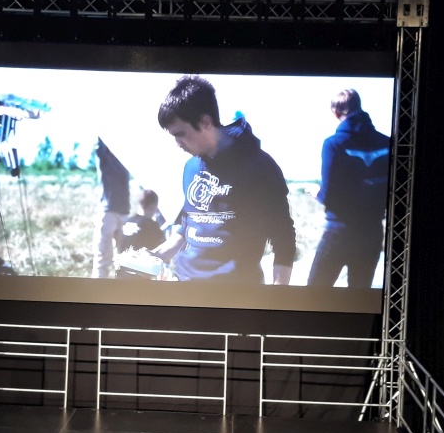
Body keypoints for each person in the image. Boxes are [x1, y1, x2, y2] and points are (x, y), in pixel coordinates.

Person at [148, 75, 296, 284]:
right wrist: (152, 257)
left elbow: (284, 237)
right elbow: (187, 225)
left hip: (236, 291)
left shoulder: (260, 167)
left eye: (180, 134)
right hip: (183, 285)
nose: (177, 143)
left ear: (205, 122)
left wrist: (278, 293)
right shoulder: (190, 167)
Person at [307, 88, 390, 288]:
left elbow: (329, 194)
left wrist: (317, 193)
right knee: (359, 296)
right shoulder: (387, 143)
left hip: (339, 232)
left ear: (336, 113)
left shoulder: (333, 144)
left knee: (313, 294)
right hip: (372, 233)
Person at [92, 137, 131, 278]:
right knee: (103, 258)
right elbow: (100, 140)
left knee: (125, 259)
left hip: (124, 211)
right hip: (107, 211)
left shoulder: (125, 158)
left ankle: (121, 289)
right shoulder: (104, 157)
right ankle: (97, 290)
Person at [118, 188, 167, 253]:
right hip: (138, 258)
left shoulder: (125, 221)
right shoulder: (152, 226)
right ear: (153, 207)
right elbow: (162, 250)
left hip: (120, 258)